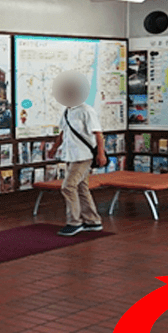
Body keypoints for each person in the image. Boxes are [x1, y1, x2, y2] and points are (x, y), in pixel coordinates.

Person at [47, 71, 107, 236]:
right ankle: (93, 221)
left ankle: (74, 222)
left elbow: (98, 134)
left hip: (83, 156)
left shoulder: (86, 110)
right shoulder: (67, 111)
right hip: (70, 156)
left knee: (68, 187)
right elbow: (63, 133)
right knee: (81, 188)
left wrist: (101, 154)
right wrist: (54, 148)